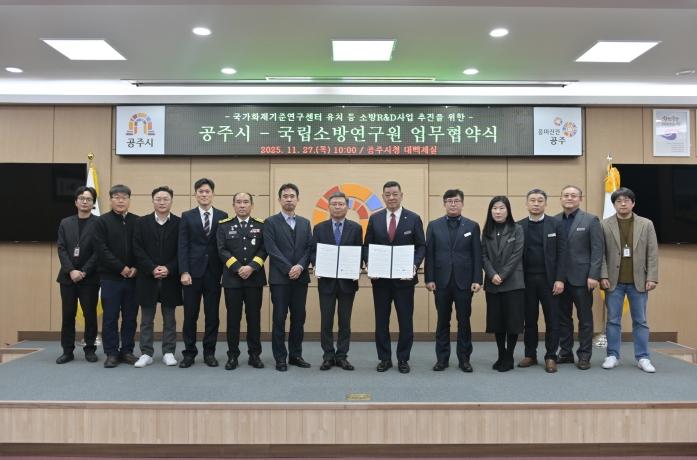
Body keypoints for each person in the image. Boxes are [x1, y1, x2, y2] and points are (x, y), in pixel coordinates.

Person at [363, 181, 426, 374]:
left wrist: (413, 266)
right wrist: (370, 264)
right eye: (387, 194)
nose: (391, 197)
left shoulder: (413, 218)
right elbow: (367, 246)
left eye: (395, 194)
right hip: (380, 280)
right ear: (383, 197)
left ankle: (403, 359)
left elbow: (421, 246)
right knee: (382, 321)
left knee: (405, 321)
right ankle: (384, 358)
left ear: (401, 195)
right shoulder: (375, 219)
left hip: (404, 281)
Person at [600, 187, 659, 373]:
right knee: (613, 320)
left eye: (626, 200)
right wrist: (603, 275)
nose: (623, 204)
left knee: (640, 321)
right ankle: (612, 355)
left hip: (639, 280)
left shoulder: (646, 224)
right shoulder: (604, 224)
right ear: (614, 204)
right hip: (613, 281)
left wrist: (652, 277)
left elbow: (652, 253)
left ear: (633, 203)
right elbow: (600, 253)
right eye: (619, 201)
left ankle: (643, 357)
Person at [425, 189, 482, 373]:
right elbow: (430, 254)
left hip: (465, 281)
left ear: (462, 204)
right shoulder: (434, 225)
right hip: (440, 281)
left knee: (464, 321)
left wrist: (477, 279)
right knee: (443, 321)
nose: (453, 204)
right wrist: (429, 278)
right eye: (449, 201)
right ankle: (442, 359)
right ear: (444, 204)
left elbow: (477, 254)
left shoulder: (472, 226)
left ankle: (464, 359)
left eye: (456, 201)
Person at [309, 192, 364, 371]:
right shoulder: (319, 228)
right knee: (326, 321)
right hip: (326, 281)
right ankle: (327, 356)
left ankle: (342, 356)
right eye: (334, 204)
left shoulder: (356, 228)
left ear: (347, 207)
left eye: (341, 204)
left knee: (345, 321)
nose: (337, 207)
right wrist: (316, 265)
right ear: (329, 207)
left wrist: (357, 267)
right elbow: (313, 251)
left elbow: (359, 251)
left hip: (348, 282)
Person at [178, 178, 228, 368]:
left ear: (213, 194)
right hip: (192, 274)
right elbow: (182, 246)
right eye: (200, 191)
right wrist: (184, 271)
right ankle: (189, 353)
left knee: (212, 316)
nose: (204, 194)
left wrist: (224, 271)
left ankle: (209, 353)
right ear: (195, 194)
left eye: (207, 191)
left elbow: (224, 246)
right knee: (190, 315)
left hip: (214, 273)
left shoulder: (223, 215)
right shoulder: (187, 216)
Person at [263, 183, 313, 372]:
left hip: (301, 278)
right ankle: (280, 357)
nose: (289, 199)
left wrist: (300, 267)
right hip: (280, 279)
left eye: (292, 196)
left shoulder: (305, 223)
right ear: (279, 200)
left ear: (298, 200)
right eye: (285, 196)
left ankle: (296, 355)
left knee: (299, 318)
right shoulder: (270, 222)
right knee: (279, 319)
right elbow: (271, 249)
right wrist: (289, 268)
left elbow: (309, 248)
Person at [516, 189, 567, 373]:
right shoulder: (519, 226)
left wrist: (560, 279)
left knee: (552, 320)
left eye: (539, 200)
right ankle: (530, 355)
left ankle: (551, 357)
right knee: (529, 320)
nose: (536, 203)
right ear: (526, 204)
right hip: (526, 280)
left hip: (550, 280)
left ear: (545, 204)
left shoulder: (556, 224)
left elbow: (562, 253)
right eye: (532, 200)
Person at [132, 186, 182, 368]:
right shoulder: (141, 222)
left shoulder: (179, 222)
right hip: (147, 277)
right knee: (146, 319)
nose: (162, 202)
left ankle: (169, 352)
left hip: (170, 277)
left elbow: (182, 249)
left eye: (166, 199)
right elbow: (137, 248)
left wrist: (169, 268)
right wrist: (152, 268)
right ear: (152, 201)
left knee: (169, 318)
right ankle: (146, 353)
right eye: (158, 199)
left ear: (171, 201)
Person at [217, 192, 267, 370]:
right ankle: (232, 355)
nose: (242, 205)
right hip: (232, 280)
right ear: (233, 206)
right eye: (238, 202)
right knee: (233, 319)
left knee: (254, 319)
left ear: (252, 205)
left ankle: (255, 355)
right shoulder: (224, 225)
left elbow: (264, 249)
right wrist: (238, 268)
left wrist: (251, 267)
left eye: (246, 202)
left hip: (254, 279)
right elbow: (221, 250)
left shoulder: (261, 225)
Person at [555, 185, 604, 370]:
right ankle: (566, 352)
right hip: (560, 278)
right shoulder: (554, 220)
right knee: (563, 318)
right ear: (561, 199)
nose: (570, 198)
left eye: (574, 196)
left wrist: (594, 275)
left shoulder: (591, 220)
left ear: (580, 200)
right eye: (566, 195)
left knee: (585, 319)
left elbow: (597, 249)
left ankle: (584, 355)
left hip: (583, 279)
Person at [92, 184, 139, 368]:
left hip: (133, 279)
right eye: (117, 197)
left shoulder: (137, 221)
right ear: (110, 200)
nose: (121, 201)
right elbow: (101, 250)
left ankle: (127, 351)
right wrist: (121, 268)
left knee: (130, 318)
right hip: (110, 278)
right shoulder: (101, 222)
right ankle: (111, 353)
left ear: (129, 200)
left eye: (124, 197)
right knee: (110, 318)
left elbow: (142, 248)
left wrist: (135, 267)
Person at [55, 186, 100, 364]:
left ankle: (90, 349)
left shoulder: (99, 222)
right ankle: (67, 351)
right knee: (68, 315)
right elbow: (61, 249)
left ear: (93, 203)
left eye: (89, 199)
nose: (85, 202)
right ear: (75, 202)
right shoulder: (66, 222)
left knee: (90, 315)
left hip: (90, 278)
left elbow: (99, 251)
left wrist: (84, 271)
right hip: (68, 277)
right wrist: (71, 270)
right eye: (81, 198)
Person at [481, 196, 525, 372]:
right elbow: (483, 255)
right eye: (494, 208)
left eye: (501, 208)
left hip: (513, 282)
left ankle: (509, 355)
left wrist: (502, 275)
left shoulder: (517, 229)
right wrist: (492, 274)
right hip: (493, 284)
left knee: (512, 321)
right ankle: (501, 353)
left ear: (508, 210)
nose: (498, 212)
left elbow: (517, 254)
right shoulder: (487, 230)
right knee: (496, 322)